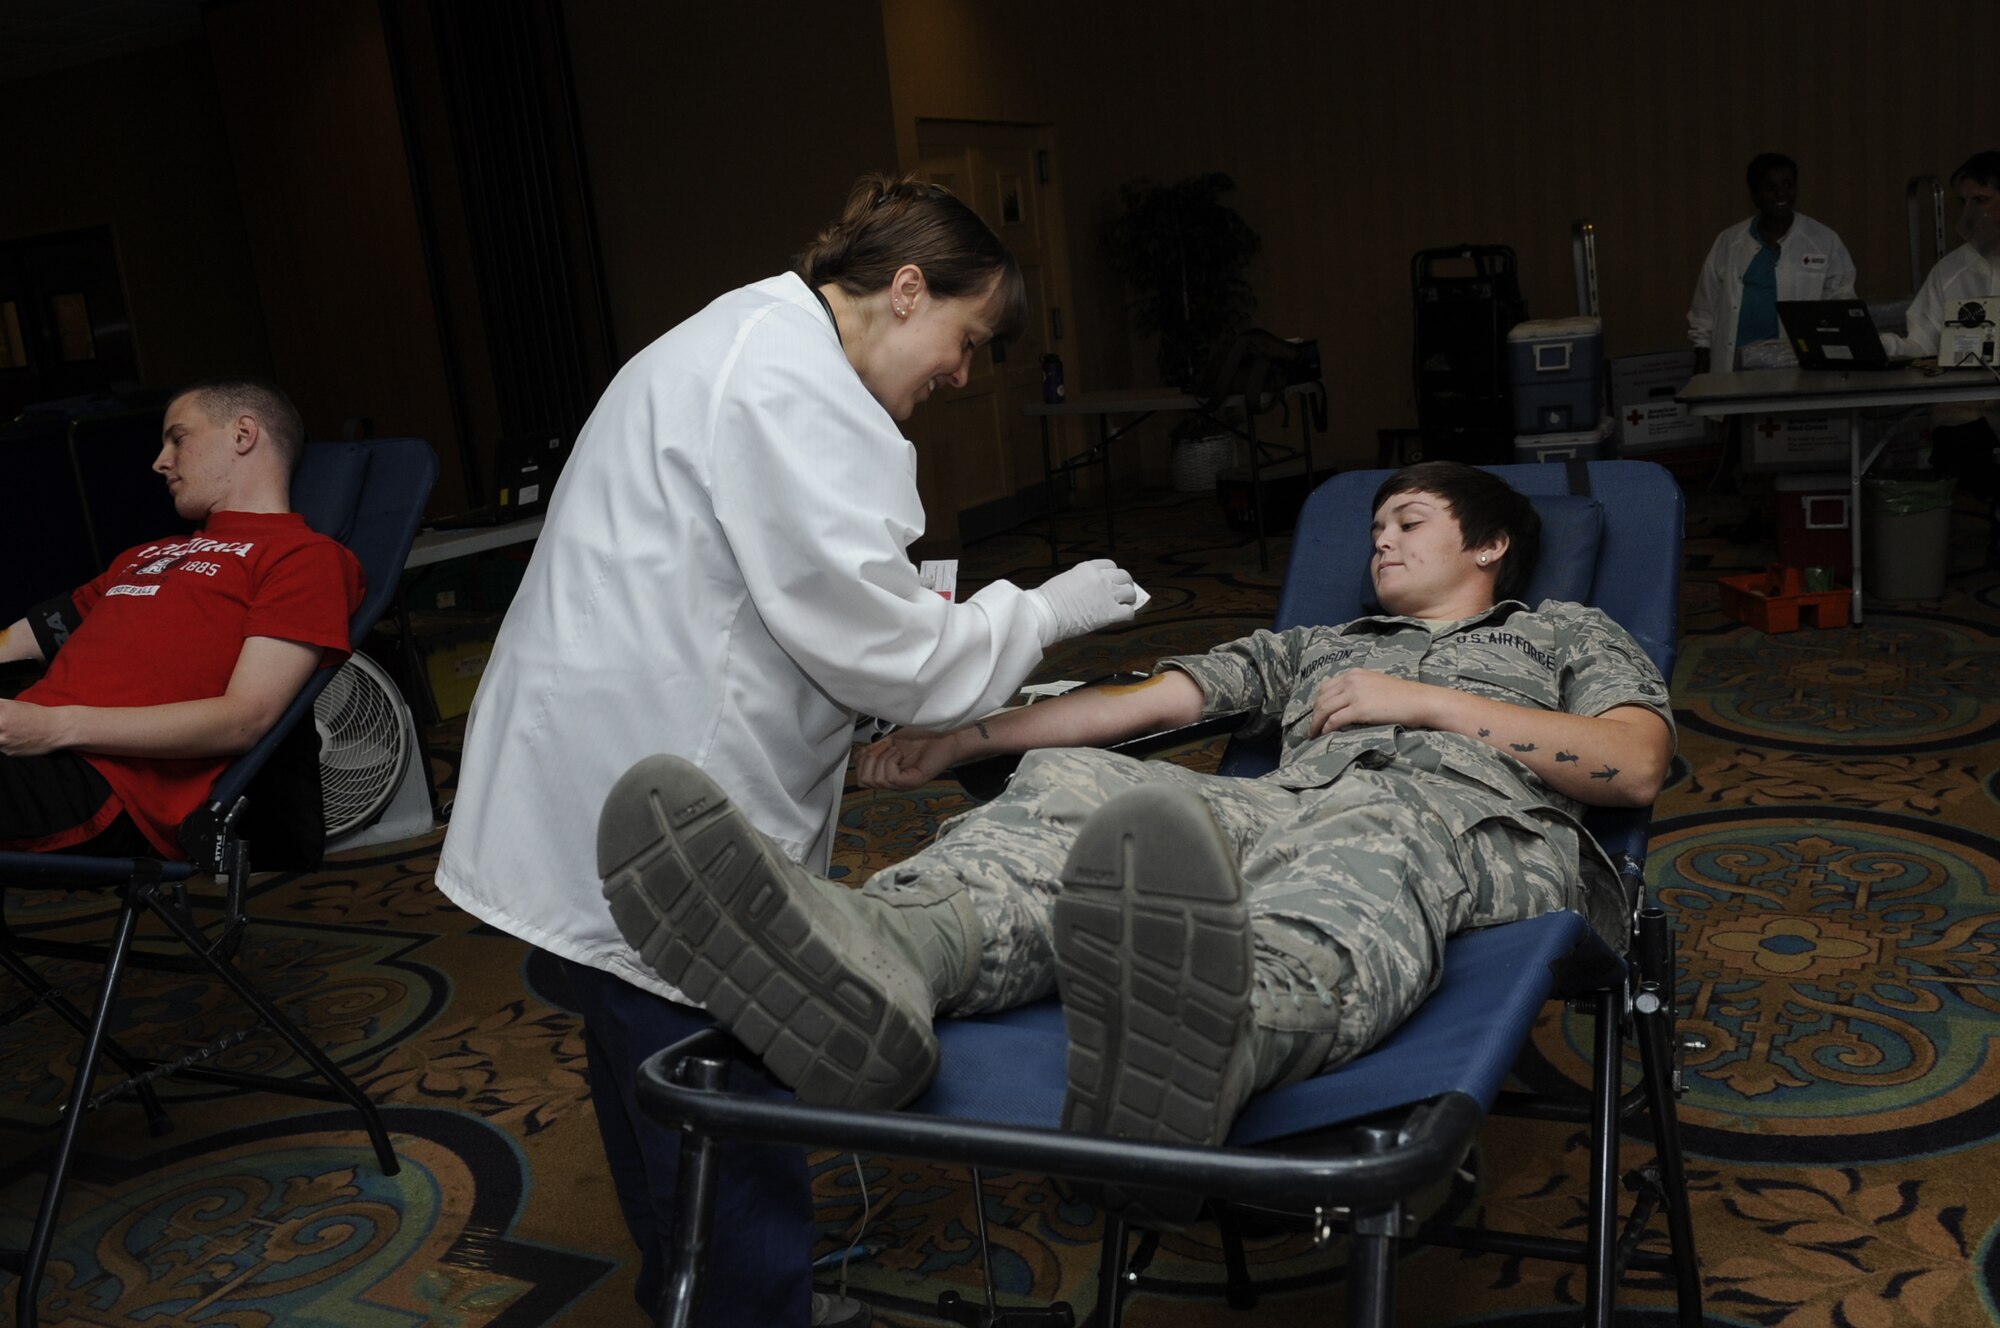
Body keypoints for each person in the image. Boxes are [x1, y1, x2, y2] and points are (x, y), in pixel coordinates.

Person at [598, 460, 1675, 1230]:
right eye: (1375, 527)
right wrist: (960, 739)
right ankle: (889, 955)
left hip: (1468, 824)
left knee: (1374, 831)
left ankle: (1229, 1028)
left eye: (1407, 520)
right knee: (1093, 788)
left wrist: (1423, 702)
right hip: (1286, 805)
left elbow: (1630, 765)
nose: (1379, 540)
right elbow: (1146, 701)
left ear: (1488, 543)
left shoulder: (1563, 632)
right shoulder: (1316, 644)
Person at [433, 174, 1139, 1327]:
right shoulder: (788, 387)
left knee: (649, 1083)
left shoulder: (740, 335)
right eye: (967, 339)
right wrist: (1039, 611)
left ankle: (701, 1296)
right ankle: (747, 1309)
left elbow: (772, 594)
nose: (964, 373)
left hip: (598, 762)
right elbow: (884, 646)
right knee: (726, 1086)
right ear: (907, 290)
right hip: (660, 790)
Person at [0, 378, 363, 859]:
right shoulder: (147, 555)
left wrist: (55, 727)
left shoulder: (304, 557)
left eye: (178, 438)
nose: (160, 461)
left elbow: (244, 719)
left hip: (104, 784)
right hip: (30, 751)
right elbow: (16, 641)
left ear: (243, 434)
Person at [1882, 151, 2000, 542]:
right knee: (1957, 446)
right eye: (1962, 202)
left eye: (1980, 200)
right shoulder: (1951, 272)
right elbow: (1921, 340)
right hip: (1970, 413)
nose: (1969, 213)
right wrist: (1875, 347)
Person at [1689, 152, 1857, 374]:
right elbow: (1705, 305)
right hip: (1734, 367)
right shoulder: (1729, 242)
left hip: (1796, 365)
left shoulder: (1823, 240)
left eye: (1788, 185)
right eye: (1770, 187)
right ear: (1755, 196)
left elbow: (1841, 301)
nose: (1781, 194)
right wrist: (1702, 353)